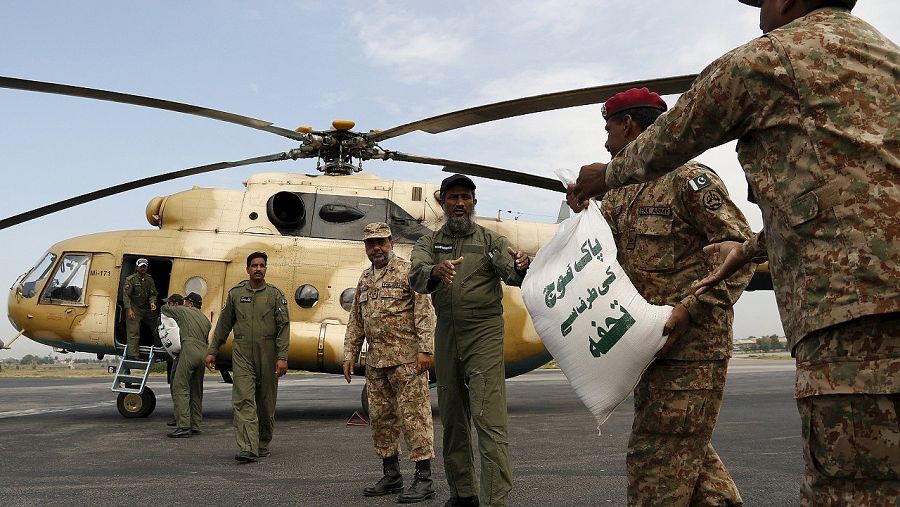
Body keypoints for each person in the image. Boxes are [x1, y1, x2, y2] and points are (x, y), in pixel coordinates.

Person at [569, 1, 899, 504]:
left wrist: (604, 174)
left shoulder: (766, 61)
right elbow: (860, 192)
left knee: (846, 486)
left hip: (849, 318)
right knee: (686, 455)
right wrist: (752, 249)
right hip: (651, 345)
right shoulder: (883, 59)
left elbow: (679, 132)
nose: (761, 10)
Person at [595, 87, 754, 505]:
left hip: (693, 347)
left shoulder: (689, 179)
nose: (605, 138)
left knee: (656, 461)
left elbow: (741, 251)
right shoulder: (620, 194)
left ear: (628, 124)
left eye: (608, 127)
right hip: (649, 348)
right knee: (688, 454)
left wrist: (689, 307)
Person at [409, 174, 531, 507]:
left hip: (484, 333)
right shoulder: (429, 243)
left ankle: (495, 500)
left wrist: (523, 265)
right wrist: (435, 271)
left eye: (466, 197)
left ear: (474, 202)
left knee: (489, 419)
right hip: (447, 332)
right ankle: (463, 493)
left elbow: (513, 273)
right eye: (453, 197)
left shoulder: (491, 240)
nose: (460, 203)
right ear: (443, 203)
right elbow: (416, 275)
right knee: (452, 417)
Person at [343, 222, 437, 504]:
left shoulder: (409, 271)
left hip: (407, 361)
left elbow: (424, 312)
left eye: (381, 242)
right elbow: (356, 320)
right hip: (376, 363)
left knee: (415, 418)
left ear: (391, 242)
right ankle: (392, 474)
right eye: (371, 244)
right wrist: (349, 353)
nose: (377, 248)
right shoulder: (364, 279)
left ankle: (424, 479)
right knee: (381, 420)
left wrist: (425, 350)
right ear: (366, 247)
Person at [206, 252, 290, 463]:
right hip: (242, 353)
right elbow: (223, 325)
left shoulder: (275, 295)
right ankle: (247, 447)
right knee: (243, 399)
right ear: (247, 269)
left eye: (262, 265)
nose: (258, 269)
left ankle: (262, 442)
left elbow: (283, 328)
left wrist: (282, 357)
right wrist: (212, 350)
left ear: (266, 269)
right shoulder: (235, 295)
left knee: (266, 402)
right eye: (254, 265)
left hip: (268, 353)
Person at [161, 292, 210, 438]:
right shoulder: (205, 319)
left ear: (190, 303)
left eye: (186, 301)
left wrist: (175, 303)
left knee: (179, 385)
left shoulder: (184, 311)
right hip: (203, 352)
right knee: (196, 389)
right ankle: (195, 424)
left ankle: (183, 426)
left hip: (189, 349)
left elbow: (164, 309)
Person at [123, 258, 158, 359]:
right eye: (141, 266)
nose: (143, 268)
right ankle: (133, 355)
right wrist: (129, 309)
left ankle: (158, 346)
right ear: (137, 267)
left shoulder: (149, 279)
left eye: (144, 266)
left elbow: (153, 293)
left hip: (146, 307)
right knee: (133, 331)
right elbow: (126, 296)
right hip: (134, 307)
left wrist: (152, 303)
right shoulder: (131, 280)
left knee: (157, 324)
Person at [164, 293, 184, 428]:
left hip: (180, 355)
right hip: (178, 355)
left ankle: (181, 420)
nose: (168, 305)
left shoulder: (178, 316)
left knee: (178, 388)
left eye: (170, 303)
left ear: (176, 304)